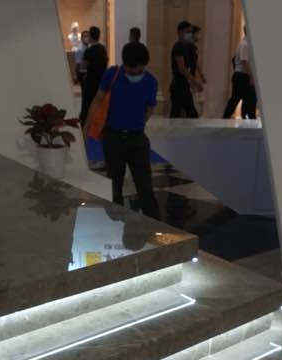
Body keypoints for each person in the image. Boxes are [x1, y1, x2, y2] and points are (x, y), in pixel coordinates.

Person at [84, 42, 158, 219]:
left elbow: (150, 108)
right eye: (130, 70)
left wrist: (137, 123)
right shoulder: (112, 74)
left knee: (145, 185)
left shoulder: (150, 81)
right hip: (113, 138)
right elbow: (98, 100)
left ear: (144, 65)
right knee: (114, 185)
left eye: (138, 70)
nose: (134, 73)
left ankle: (155, 225)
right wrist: (86, 126)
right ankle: (114, 222)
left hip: (137, 139)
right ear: (124, 64)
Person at [223, 26, 257, 119]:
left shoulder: (247, 44)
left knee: (248, 99)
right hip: (241, 76)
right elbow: (244, 62)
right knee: (237, 98)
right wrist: (251, 77)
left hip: (243, 75)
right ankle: (226, 117)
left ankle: (248, 116)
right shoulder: (244, 44)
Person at [170, 21, 201, 118]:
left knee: (178, 113)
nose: (190, 34)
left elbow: (189, 67)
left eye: (191, 32)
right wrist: (195, 82)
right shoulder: (178, 47)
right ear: (180, 32)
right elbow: (182, 68)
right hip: (179, 86)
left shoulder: (184, 47)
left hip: (183, 85)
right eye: (187, 32)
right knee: (189, 113)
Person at [80, 26, 108, 123]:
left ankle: (86, 123)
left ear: (91, 36)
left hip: (90, 82)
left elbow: (84, 67)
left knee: (87, 104)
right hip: (101, 81)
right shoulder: (103, 49)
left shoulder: (89, 51)